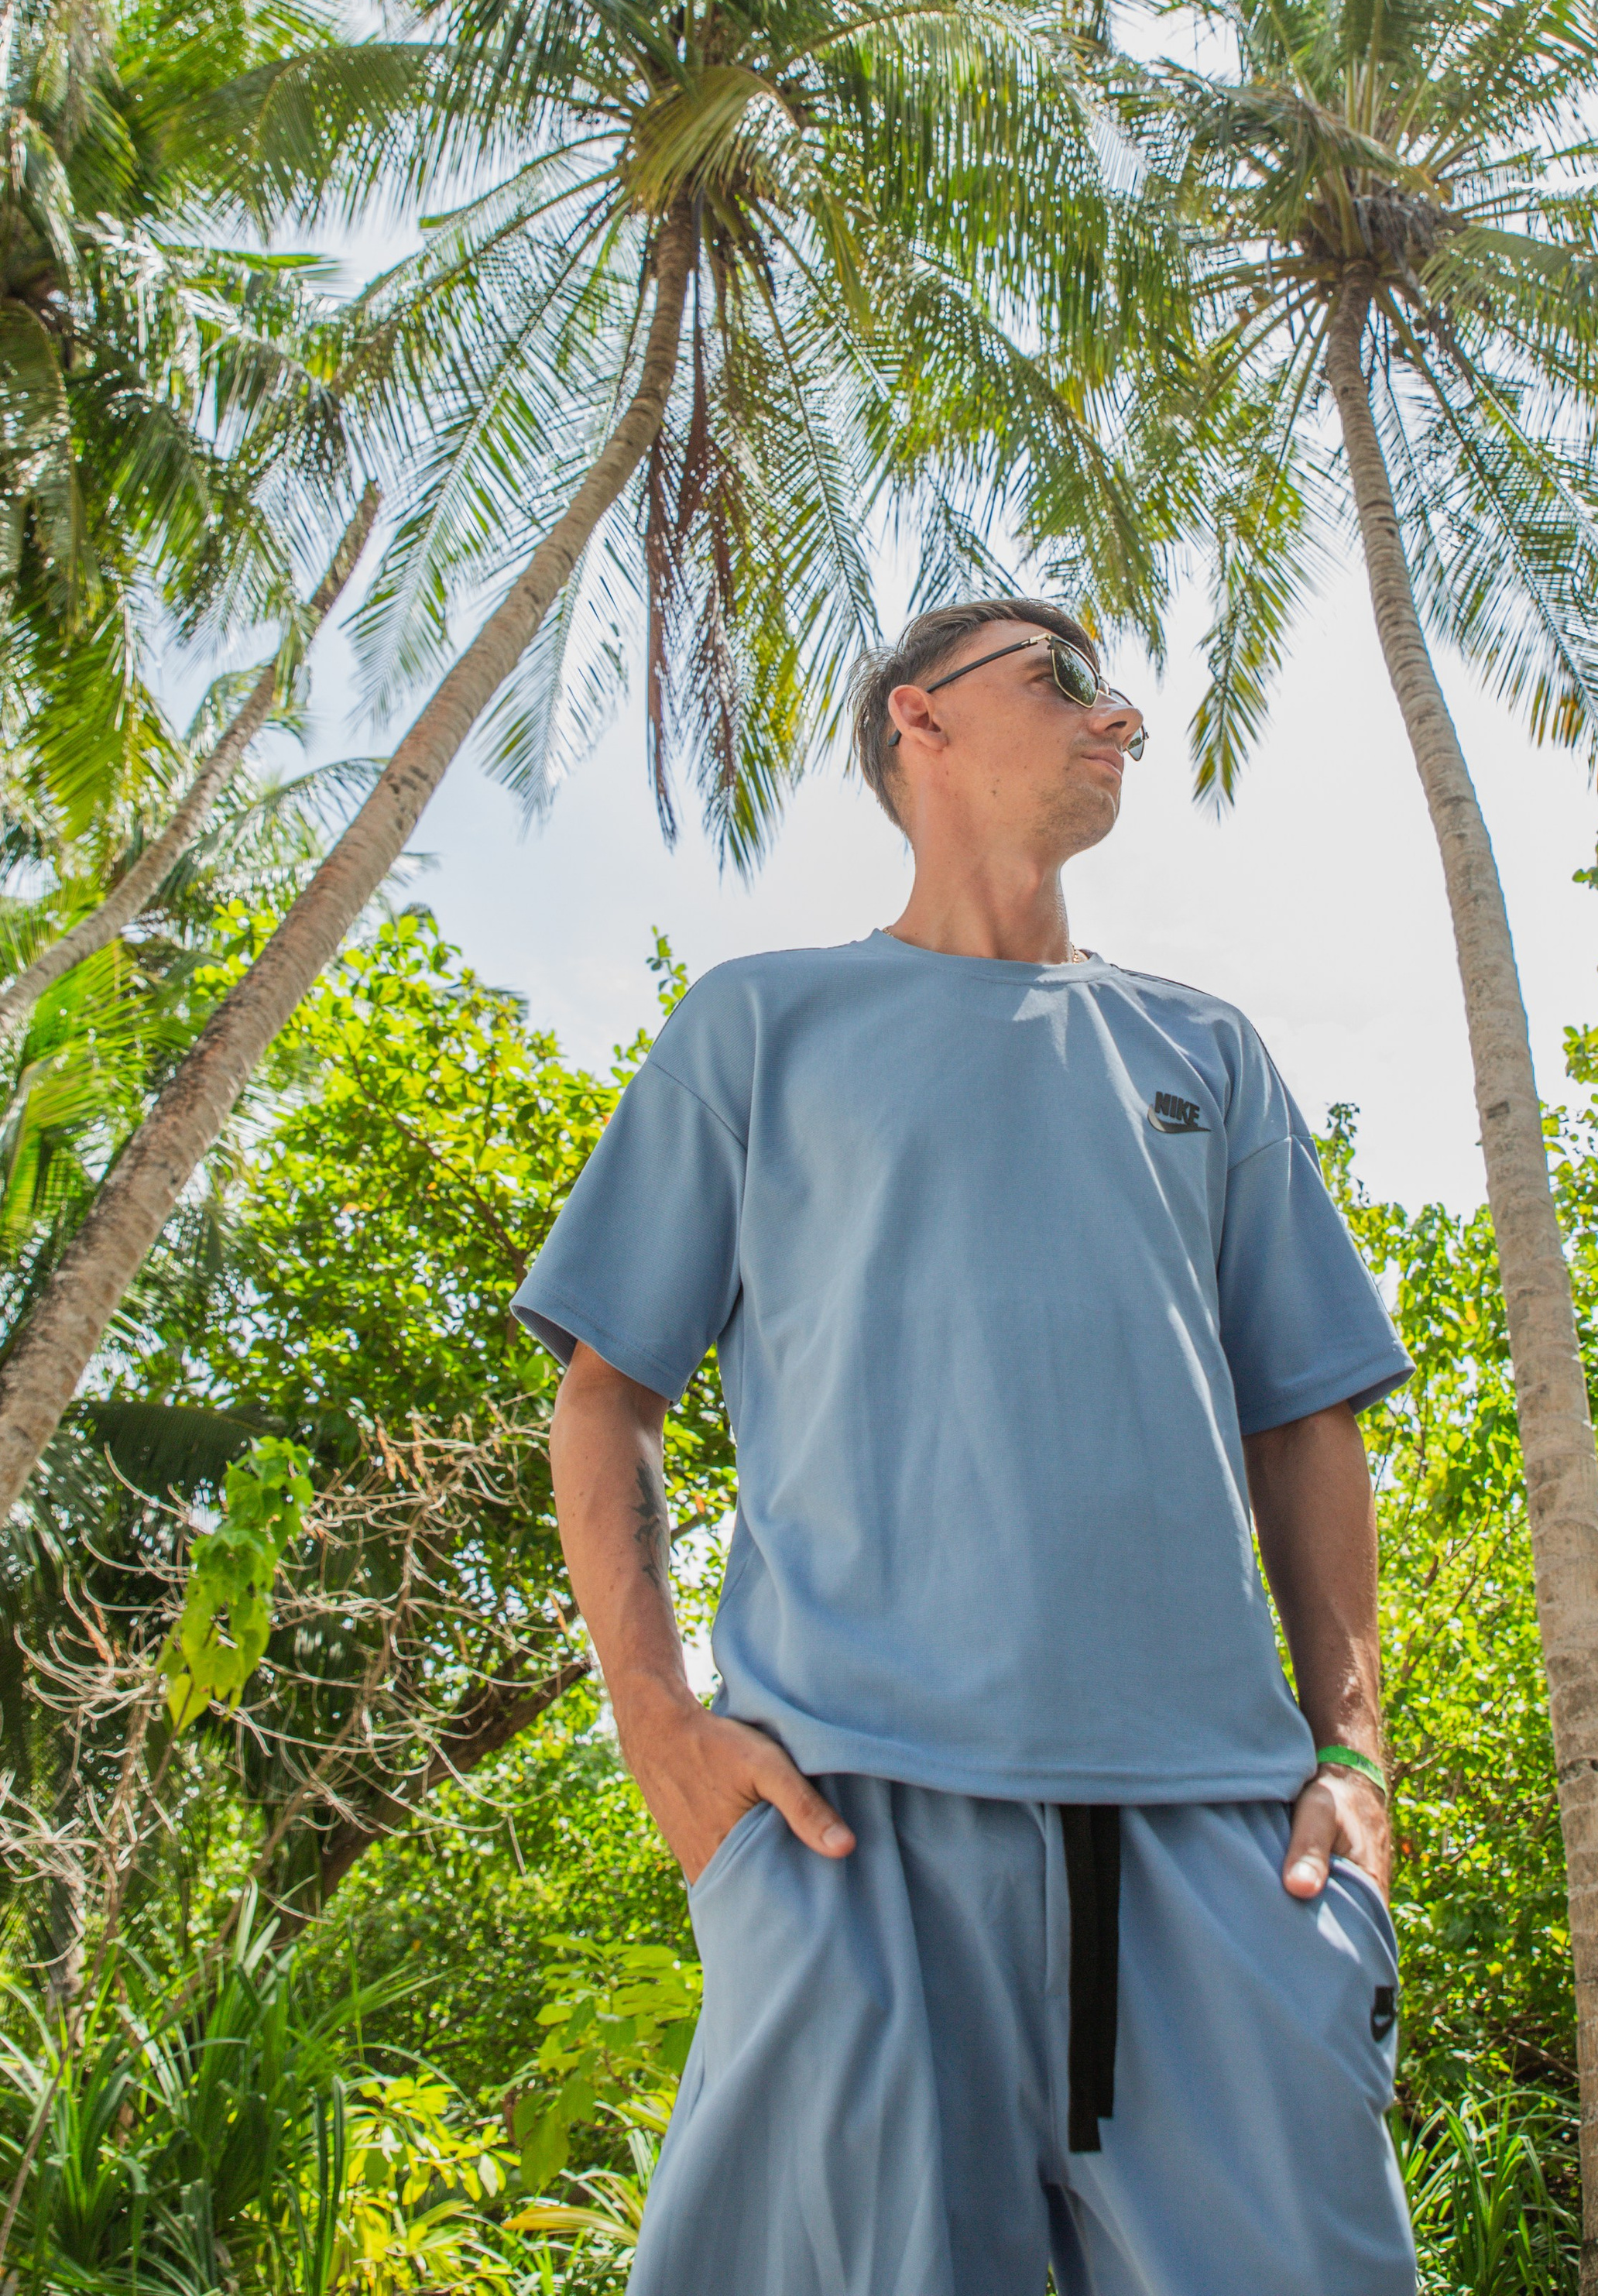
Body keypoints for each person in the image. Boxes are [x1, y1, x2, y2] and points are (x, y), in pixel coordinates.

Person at [520, 595, 1416, 2296]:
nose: (1119, 716)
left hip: (1223, 1840)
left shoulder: (1205, 1052)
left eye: (1115, 690)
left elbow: (1303, 1411)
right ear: (917, 720)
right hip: (851, 1831)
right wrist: (660, 1731)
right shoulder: (757, 1027)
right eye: (1063, 679)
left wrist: (1353, 1754)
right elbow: (604, 1392)